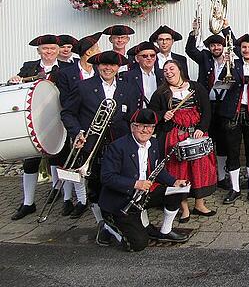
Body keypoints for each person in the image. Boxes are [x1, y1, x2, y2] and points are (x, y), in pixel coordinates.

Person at [60, 51, 141, 235]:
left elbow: (132, 117)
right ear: (98, 66)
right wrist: (78, 132)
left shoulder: (128, 88)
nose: (108, 68)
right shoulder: (83, 87)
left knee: (121, 181)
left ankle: (123, 218)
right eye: (104, 65)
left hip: (120, 143)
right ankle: (102, 223)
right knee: (96, 184)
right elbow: (67, 113)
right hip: (93, 144)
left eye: (112, 65)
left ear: (118, 68)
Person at [99, 109, 191, 250]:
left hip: (142, 196)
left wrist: (174, 182)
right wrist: (135, 184)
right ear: (132, 127)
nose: (146, 130)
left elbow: (157, 169)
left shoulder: (153, 144)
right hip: (121, 202)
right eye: (141, 126)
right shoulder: (117, 147)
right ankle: (107, 226)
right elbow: (107, 177)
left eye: (150, 127)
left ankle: (165, 231)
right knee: (138, 245)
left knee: (177, 191)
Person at [8, 34, 70, 220]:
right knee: (30, 161)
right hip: (33, 121)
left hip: (59, 118)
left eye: (52, 48)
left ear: (58, 50)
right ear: (39, 51)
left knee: (61, 158)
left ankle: (66, 198)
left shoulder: (67, 68)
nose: (49, 52)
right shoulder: (28, 67)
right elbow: (18, 87)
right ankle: (28, 203)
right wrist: (15, 80)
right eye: (45, 49)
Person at [149, 60, 216, 222]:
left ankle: (199, 204)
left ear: (180, 70)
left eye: (171, 68)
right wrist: (163, 114)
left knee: (200, 169)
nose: (168, 72)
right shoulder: (160, 93)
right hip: (174, 135)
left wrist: (202, 128)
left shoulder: (196, 88)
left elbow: (207, 110)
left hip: (197, 134)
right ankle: (183, 207)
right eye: (165, 70)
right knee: (179, 171)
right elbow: (152, 112)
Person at [55, 32, 103, 218]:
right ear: (88, 53)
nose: (99, 52)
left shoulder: (100, 70)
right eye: (96, 49)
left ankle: (94, 196)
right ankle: (81, 200)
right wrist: (76, 129)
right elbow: (66, 102)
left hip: (98, 124)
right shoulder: (67, 73)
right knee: (77, 164)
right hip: (79, 124)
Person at [186, 19, 234, 190]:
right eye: (212, 46)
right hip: (207, 106)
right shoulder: (205, 57)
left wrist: (226, 28)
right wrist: (194, 31)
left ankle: (221, 176)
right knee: (206, 139)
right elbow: (190, 50)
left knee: (222, 143)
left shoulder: (230, 58)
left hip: (225, 106)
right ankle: (206, 176)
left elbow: (233, 44)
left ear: (223, 46)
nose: (215, 48)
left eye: (218, 45)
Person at [218, 34, 249, 204]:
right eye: (244, 47)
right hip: (232, 112)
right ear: (240, 49)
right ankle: (235, 188)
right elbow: (223, 81)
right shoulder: (233, 63)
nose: (247, 50)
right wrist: (226, 63)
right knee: (233, 151)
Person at [124, 42, 163, 108]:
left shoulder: (162, 75)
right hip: (138, 115)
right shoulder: (128, 76)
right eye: (145, 56)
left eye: (152, 55)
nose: (149, 58)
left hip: (158, 115)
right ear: (137, 58)